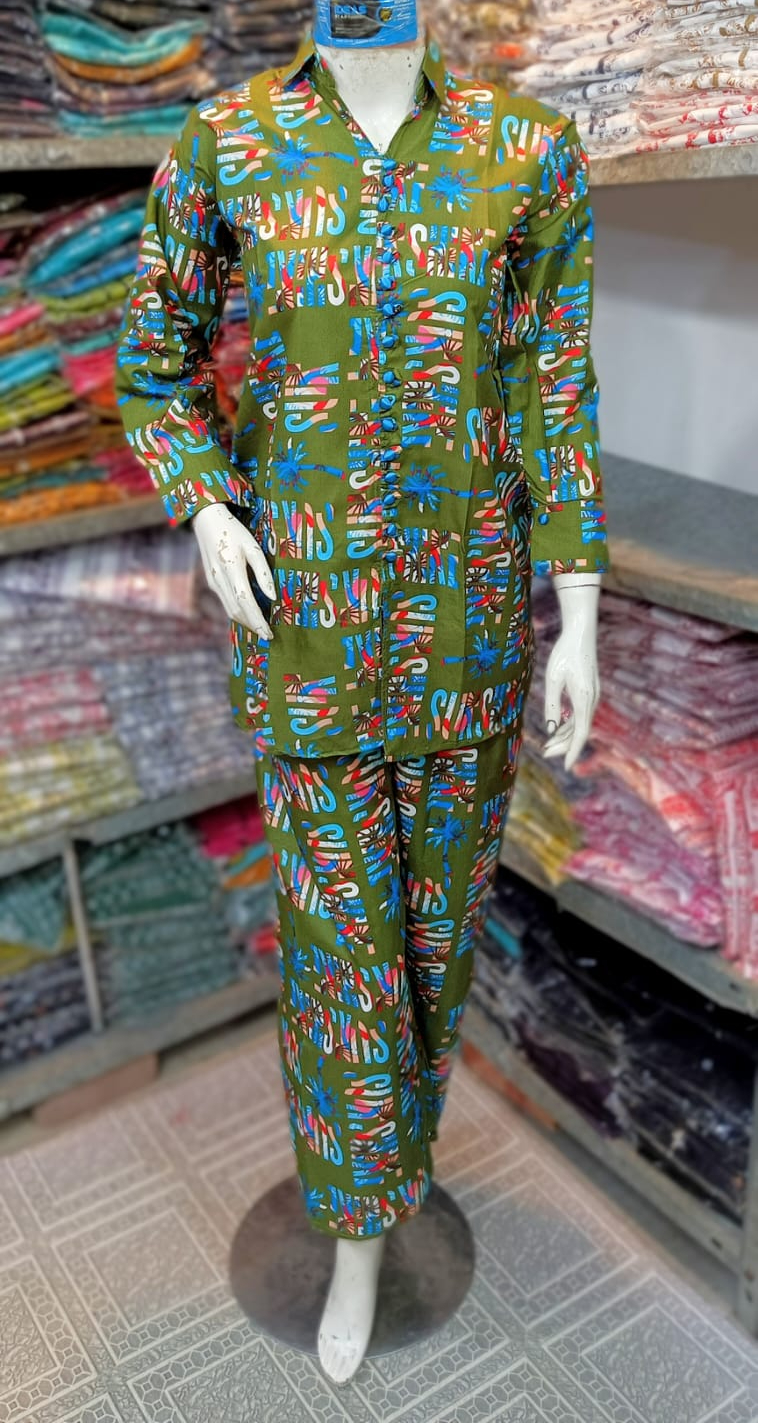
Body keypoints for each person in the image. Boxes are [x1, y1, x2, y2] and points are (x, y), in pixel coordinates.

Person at [115, 0, 609, 1385]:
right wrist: (207, 505)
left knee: (432, 954)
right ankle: (352, 1240)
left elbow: (554, 384)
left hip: (468, 638)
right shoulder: (228, 144)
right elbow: (153, 361)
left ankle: (393, 1190)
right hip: (310, 645)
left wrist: (579, 610)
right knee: (342, 963)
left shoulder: (528, 152)